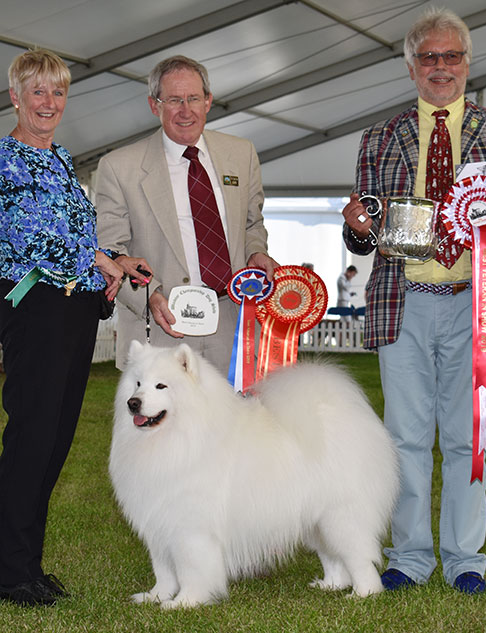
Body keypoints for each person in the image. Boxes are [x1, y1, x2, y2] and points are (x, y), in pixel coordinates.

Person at [342, 7, 486, 595]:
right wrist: (357, 225)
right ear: (411, 67)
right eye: (429, 57)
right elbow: (364, 231)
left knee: (467, 437)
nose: (441, 67)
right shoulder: (379, 137)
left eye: (451, 56)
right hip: (403, 299)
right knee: (404, 437)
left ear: (467, 63)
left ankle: (464, 559)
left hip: (476, 306)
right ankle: (409, 557)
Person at [0, 49, 136, 607]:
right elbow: (31, 241)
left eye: (58, 93)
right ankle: (9, 572)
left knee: (54, 443)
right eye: (38, 92)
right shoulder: (6, 161)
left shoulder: (60, 157)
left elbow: (76, 235)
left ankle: (26, 564)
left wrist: (111, 262)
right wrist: (100, 263)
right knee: (31, 440)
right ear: (15, 97)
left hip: (73, 311)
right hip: (34, 311)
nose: (49, 103)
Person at [96, 55, 277, 374]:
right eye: (174, 100)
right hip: (161, 328)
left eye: (194, 98)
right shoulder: (118, 167)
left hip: (233, 325)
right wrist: (148, 296)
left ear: (208, 101)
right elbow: (112, 252)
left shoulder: (242, 154)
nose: (185, 110)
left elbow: (252, 225)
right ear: (154, 105)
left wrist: (256, 252)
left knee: (239, 423)